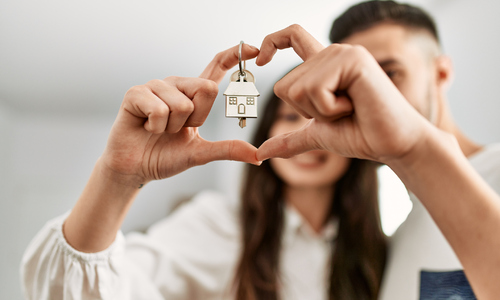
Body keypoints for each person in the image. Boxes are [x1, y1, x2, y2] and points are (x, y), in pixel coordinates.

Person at [20, 43, 387, 299]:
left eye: (323, 119)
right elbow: (74, 293)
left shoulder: (378, 247)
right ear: (267, 130)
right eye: (291, 116)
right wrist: (118, 177)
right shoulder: (218, 224)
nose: (307, 134)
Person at [318, 1, 500, 298]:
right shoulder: (397, 238)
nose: (369, 97)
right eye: (351, 83)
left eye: (389, 74)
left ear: (441, 73)